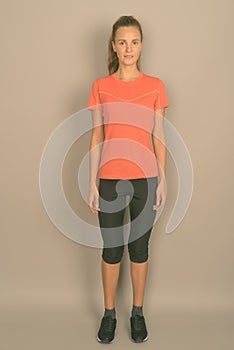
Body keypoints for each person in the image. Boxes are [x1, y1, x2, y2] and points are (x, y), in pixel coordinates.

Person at [87, 15, 169, 344]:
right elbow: (96, 136)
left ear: (141, 45)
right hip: (109, 179)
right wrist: (92, 183)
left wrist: (162, 180)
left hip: (146, 180)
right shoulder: (100, 86)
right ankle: (109, 314)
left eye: (134, 42)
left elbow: (159, 136)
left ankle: (137, 312)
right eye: (122, 42)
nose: (128, 48)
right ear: (113, 47)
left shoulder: (155, 86)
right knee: (111, 250)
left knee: (139, 248)